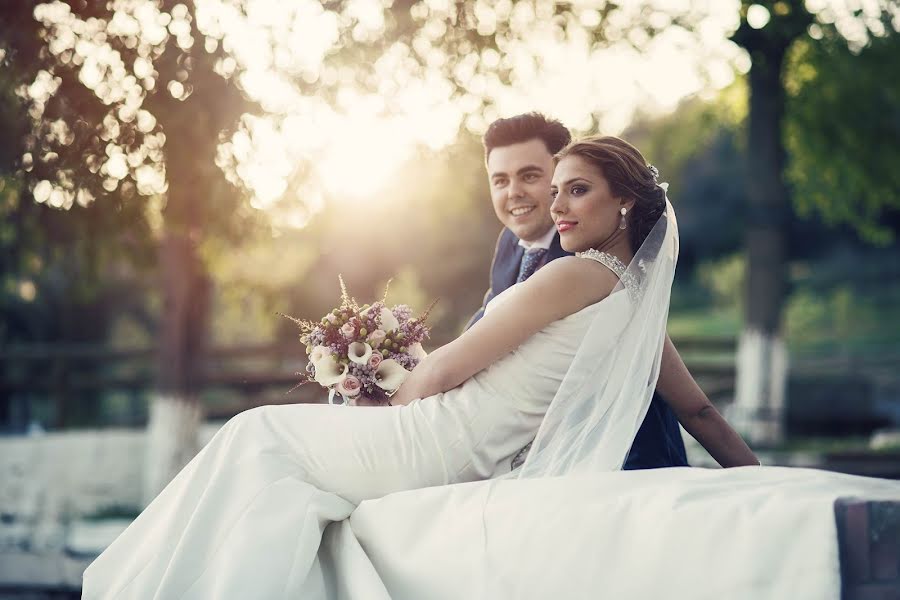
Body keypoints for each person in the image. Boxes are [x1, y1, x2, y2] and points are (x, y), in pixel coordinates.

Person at [81, 135, 749, 598]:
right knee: (266, 449)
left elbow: (446, 369)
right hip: (462, 444)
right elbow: (701, 411)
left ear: (624, 202)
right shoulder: (636, 308)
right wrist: (762, 477)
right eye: (559, 194)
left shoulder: (572, 276)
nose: (559, 207)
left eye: (577, 191)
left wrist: (386, 402)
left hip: (435, 438)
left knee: (259, 434)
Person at [468, 113, 755, 470]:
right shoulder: (511, 245)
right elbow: (481, 329)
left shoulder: (594, 268)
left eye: (530, 176)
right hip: (536, 461)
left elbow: (691, 405)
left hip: (622, 461)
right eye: (500, 180)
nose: (514, 193)